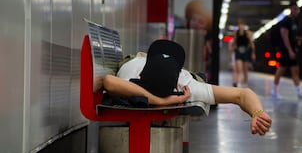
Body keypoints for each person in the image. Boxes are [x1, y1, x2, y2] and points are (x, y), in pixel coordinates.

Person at [102, 39, 272, 135]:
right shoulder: (187, 87)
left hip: (144, 60)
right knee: (200, 80)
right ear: (177, 83)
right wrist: (160, 102)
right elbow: (241, 94)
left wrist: (257, 113)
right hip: (135, 60)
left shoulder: (131, 79)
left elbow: (243, 94)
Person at [269, 2, 302, 99]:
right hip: (285, 49)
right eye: (295, 9)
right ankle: (274, 91)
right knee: (281, 69)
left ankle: (299, 92)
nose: (297, 11)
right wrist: (289, 50)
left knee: (295, 70)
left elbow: (291, 36)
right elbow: (284, 36)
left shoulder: (295, 21)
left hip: (292, 49)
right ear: (291, 9)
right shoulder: (286, 21)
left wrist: (297, 39)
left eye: (298, 9)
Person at [229, 19, 256, 87]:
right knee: (239, 68)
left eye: (242, 25)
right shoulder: (236, 33)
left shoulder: (247, 33)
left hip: (245, 52)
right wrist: (233, 49)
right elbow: (234, 42)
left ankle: (245, 83)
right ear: (238, 26)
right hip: (238, 52)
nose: (241, 26)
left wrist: (253, 53)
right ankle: (239, 82)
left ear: (244, 26)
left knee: (245, 69)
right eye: (239, 25)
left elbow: (252, 44)